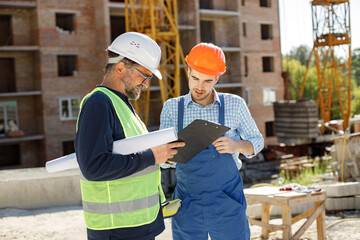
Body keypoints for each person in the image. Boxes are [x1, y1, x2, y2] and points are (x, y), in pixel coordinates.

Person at [74, 32, 185, 240]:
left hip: (138, 224)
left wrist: (163, 154)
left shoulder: (122, 105)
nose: (145, 84)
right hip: (117, 229)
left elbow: (132, 157)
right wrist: (152, 156)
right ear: (120, 67)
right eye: (144, 76)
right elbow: (94, 166)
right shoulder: (98, 104)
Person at [160, 43, 264, 240]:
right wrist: (171, 157)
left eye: (208, 81)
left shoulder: (235, 104)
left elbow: (257, 141)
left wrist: (236, 145)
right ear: (188, 71)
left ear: (217, 78)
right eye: (195, 78)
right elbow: (162, 160)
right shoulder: (172, 108)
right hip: (187, 202)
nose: (200, 87)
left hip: (227, 201)